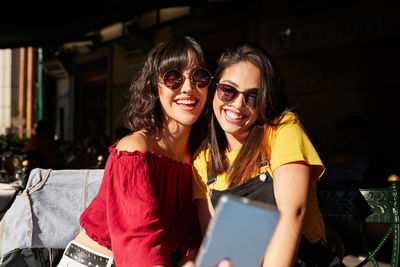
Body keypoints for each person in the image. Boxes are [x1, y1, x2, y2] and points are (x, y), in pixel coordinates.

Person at [57, 36, 212, 267]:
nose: (188, 88)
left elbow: (192, 231)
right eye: (173, 77)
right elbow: (138, 240)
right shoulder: (134, 151)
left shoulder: (198, 156)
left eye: (199, 77)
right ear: (154, 86)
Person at [190, 43, 345, 266]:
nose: (238, 104)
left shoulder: (283, 130)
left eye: (252, 97)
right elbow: (218, 246)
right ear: (215, 89)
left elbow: (292, 214)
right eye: (228, 90)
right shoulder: (203, 161)